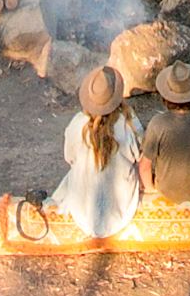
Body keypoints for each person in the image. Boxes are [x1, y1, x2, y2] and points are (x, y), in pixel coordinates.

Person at [44, 64, 141, 239]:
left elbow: (70, 158)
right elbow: (139, 155)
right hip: (121, 212)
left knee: (77, 171)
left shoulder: (76, 124)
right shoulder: (128, 123)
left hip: (82, 212)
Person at [139, 59, 190, 206]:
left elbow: (144, 167)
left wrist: (151, 189)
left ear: (166, 96)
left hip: (167, 191)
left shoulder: (157, 124)